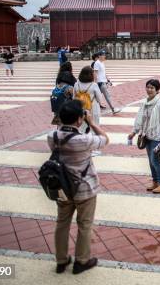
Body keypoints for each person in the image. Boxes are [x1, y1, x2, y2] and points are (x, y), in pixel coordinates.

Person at [48, 100, 109, 275]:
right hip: (85, 189)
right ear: (79, 120)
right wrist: (92, 122)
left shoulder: (51, 136)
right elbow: (105, 139)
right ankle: (81, 261)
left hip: (63, 188)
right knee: (84, 225)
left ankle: (61, 260)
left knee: (62, 223)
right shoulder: (84, 140)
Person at [127, 79, 160, 194]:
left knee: (155, 161)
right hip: (146, 136)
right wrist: (134, 132)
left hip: (157, 137)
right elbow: (140, 119)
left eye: (152, 88)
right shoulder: (145, 103)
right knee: (151, 162)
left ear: (157, 90)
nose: (149, 89)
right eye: (148, 87)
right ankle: (155, 182)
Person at [74, 67, 103, 156]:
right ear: (90, 74)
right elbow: (99, 98)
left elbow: (73, 98)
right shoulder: (93, 85)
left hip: (80, 109)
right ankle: (94, 150)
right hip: (93, 109)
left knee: (81, 128)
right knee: (94, 127)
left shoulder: (76, 84)